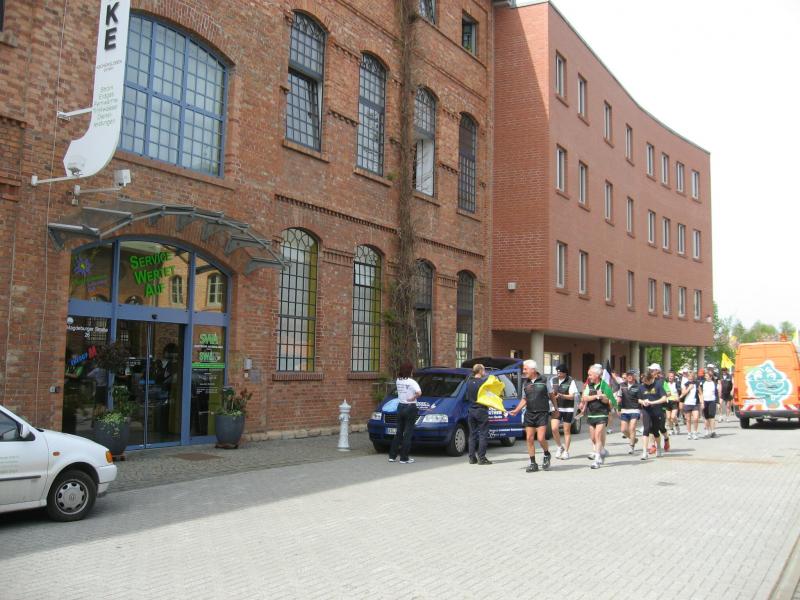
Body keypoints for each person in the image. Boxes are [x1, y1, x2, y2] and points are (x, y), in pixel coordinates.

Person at [510, 360, 553, 472]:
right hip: (529, 413)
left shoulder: (544, 380)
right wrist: (516, 410)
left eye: (525, 369)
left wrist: (556, 409)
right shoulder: (526, 383)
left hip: (542, 413)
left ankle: (546, 454)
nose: (524, 371)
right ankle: (533, 463)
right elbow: (524, 399)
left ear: (533, 369)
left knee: (541, 438)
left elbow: (551, 395)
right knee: (529, 438)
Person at [388, 362, 422, 464]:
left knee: (398, 432)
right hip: (410, 407)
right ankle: (404, 458)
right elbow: (419, 393)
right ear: (410, 371)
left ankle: (392, 456)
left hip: (400, 407)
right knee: (407, 433)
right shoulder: (412, 382)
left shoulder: (398, 380)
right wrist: (413, 398)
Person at [580, 364, 611, 470]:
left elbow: (608, 400)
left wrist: (602, 397)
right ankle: (602, 451)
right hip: (591, 414)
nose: (589, 377)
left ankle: (597, 460)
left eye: (590, 375)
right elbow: (584, 398)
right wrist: (596, 396)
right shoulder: (589, 386)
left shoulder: (605, 385)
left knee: (598, 436)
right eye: (588, 375)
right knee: (593, 438)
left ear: (597, 375)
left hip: (602, 413)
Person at [549, 364, 579, 460]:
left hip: (568, 408)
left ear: (565, 373)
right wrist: (552, 396)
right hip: (556, 408)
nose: (558, 373)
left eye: (560, 372)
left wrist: (561, 395)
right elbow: (550, 393)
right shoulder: (553, 380)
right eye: (557, 371)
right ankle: (559, 447)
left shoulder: (570, 381)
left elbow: (572, 396)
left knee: (566, 430)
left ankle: (566, 451)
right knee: (554, 428)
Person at [466, 363, 492, 465]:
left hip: (471, 410)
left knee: (472, 434)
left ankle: (472, 458)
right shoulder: (483, 383)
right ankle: (482, 458)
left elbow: (467, 396)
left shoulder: (468, 382)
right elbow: (489, 396)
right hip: (481, 410)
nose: (485, 372)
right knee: (483, 434)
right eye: (484, 370)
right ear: (480, 371)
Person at [639, 369, 667, 459]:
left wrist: (652, 402)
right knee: (646, 430)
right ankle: (644, 452)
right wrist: (643, 402)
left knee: (655, 431)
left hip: (657, 411)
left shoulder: (658, 385)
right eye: (643, 381)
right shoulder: (641, 386)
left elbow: (664, 398)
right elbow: (638, 399)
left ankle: (658, 448)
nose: (645, 383)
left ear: (651, 379)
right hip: (646, 411)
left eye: (646, 381)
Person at [617, 369, 641, 454]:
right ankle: (634, 439)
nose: (629, 377)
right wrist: (618, 407)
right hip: (624, 410)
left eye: (631, 375)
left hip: (635, 409)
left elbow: (641, 398)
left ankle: (632, 447)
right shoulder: (622, 385)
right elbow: (619, 397)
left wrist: (642, 410)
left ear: (634, 376)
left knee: (632, 428)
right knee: (623, 430)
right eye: (628, 375)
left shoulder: (639, 386)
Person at [699, 368, 721, 438]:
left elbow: (716, 393)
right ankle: (706, 432)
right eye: (705, 376)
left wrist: (718, 402)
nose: (705, 377)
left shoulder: (714, 383)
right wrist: (701, 402)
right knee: (706, 417)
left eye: (707, 376)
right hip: (705, 401)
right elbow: (700, 393)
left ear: (710, 377)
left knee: (712, 417)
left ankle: (713, 432)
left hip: (712, 401)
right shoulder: (702, 383)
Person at [681, 369, 701, 439]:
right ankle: (689, 433)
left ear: (694, 377)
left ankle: (695, 432)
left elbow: (700, 393)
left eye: (692, 376)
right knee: (688, 419)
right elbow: (683, 394)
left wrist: (702, 402)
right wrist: (689, 388)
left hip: (695, 403)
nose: (690, 378)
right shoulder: (685, 384)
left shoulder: (697, 383)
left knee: (696, 418)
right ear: (687, 377)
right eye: (689, 376)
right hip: (687, 403)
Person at [665, 370, 681, 435]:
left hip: (674, 402)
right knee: (668, 417)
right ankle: (671, 429)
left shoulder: (676, 384)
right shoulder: (666, 384)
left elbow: (680, 392)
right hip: (668, 402)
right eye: (669, 376)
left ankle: (677, 426)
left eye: (672, 376)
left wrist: (678, 398)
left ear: (674, 377)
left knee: (673, 417)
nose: (670, 377)